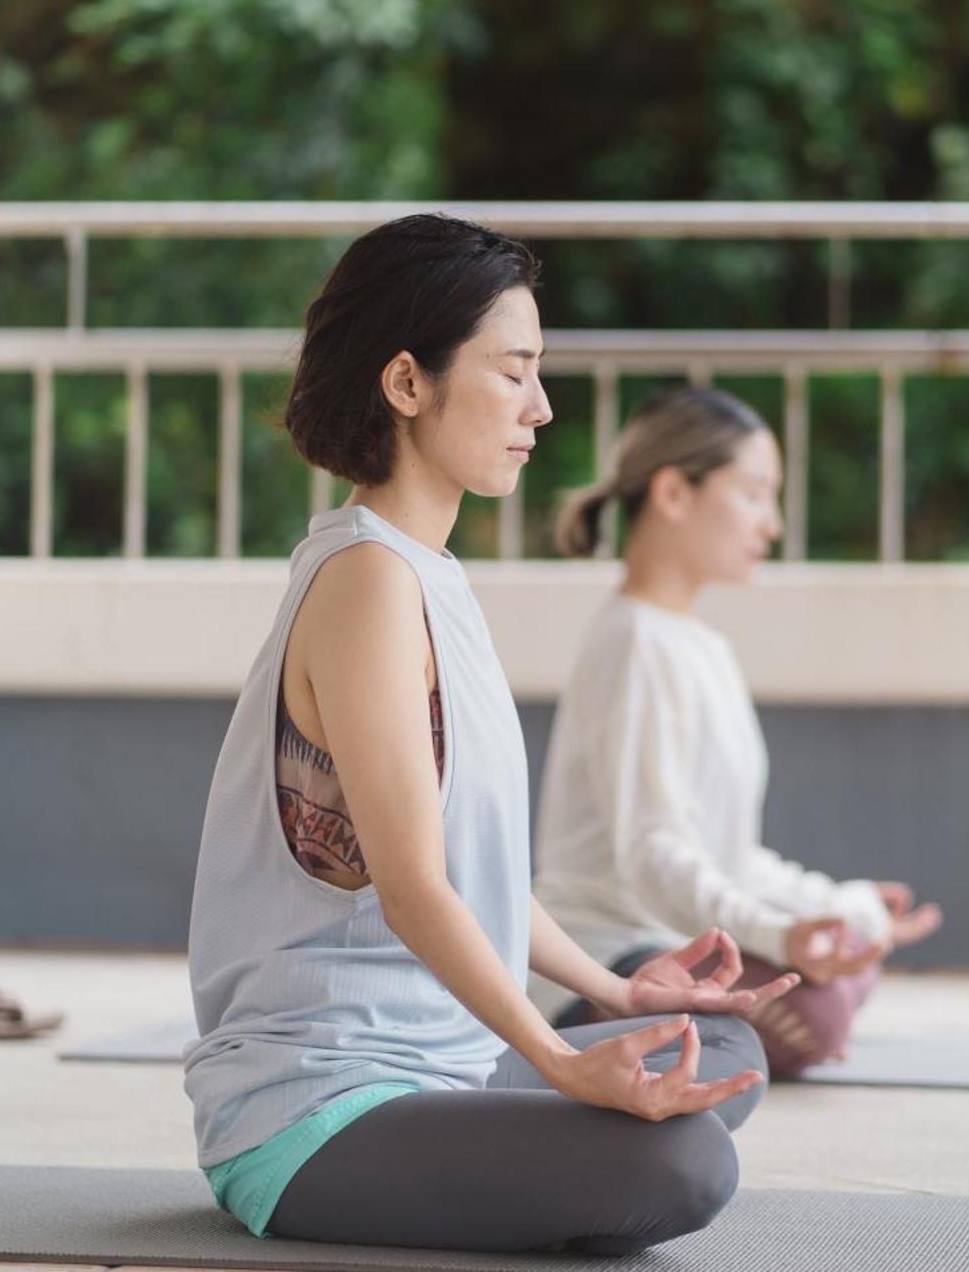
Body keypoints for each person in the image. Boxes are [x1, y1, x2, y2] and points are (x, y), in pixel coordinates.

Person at [183, 215, 797, 1256]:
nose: (540, 409)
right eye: (513, 374)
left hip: (444, 1062)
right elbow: (418, 887)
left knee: (715, 1042)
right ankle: (510, 1152)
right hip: (321, 1106)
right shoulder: (366, 581)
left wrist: (612, 989)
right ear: (407, 384)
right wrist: (558, 1064)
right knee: (683, 1165)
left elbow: (476, 871)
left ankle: (521, 1148)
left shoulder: (430, 575)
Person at [531, 386, 945, 1078]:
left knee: (845, 963)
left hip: (683, 935)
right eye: (755, 493)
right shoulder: (634, 642)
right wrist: (782, 935)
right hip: (608, 957)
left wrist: (840, 907)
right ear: (672, 493)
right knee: (818, 1012)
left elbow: (727, 855)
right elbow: (653, 854)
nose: (773, 523)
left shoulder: (701, 647)